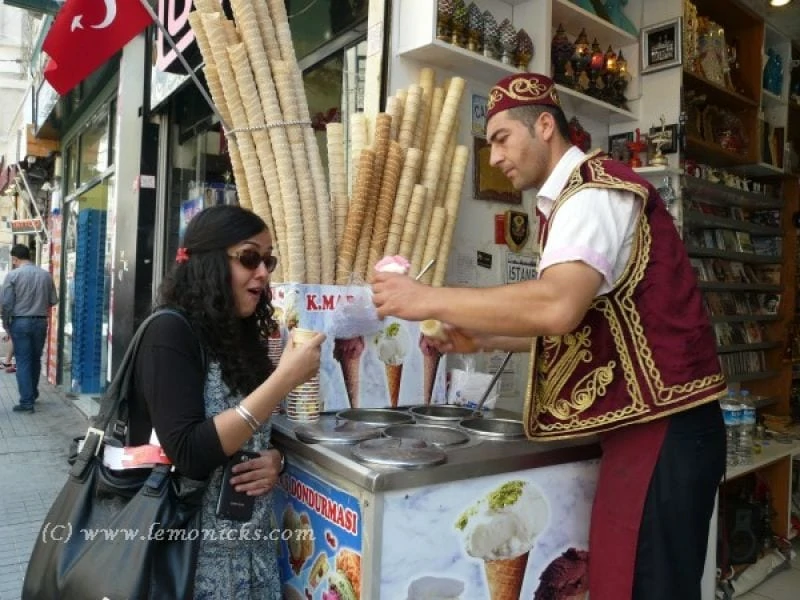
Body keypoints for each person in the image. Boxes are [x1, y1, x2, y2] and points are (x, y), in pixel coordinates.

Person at [372, 73, 727, 600]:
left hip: (662, 429)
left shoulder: (594, 191)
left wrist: (425, 297)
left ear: (544, 125)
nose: (493, 157)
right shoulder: (572, 200)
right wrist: (486, 338)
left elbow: (558, 305)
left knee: (641, 587)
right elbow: (590, 324)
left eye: (500, 139)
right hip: (656, 427)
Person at [129, 205, 324, 598]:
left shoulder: (241, 333)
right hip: (190, 559)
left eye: (268, 260)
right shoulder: (169, 332)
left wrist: (276, 461)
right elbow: (189, 452)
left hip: (253, 555)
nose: (264, 272)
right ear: (208, 263)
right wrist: (285, 378)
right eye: (249, 258)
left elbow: (252, 434)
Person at [1, 244, 58, 413]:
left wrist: (6, 324)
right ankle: (32, 394)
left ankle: (26, 402)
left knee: (23, 361)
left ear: (15, 258)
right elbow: (53, 300)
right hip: (40, 322)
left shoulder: (13, 276)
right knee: (35, 359)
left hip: (20, 322)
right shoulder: (46, 275)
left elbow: (6, 304)